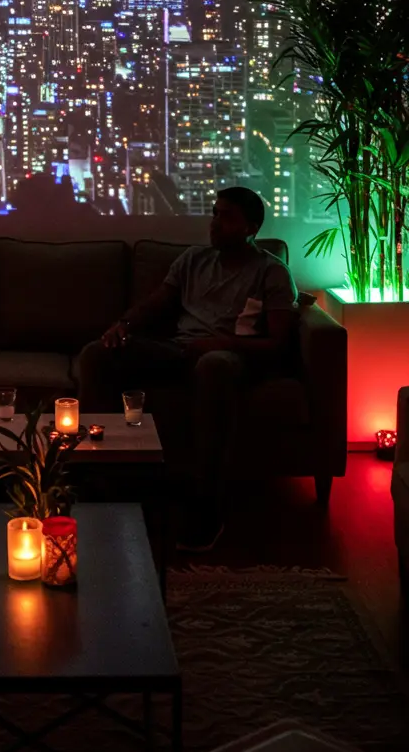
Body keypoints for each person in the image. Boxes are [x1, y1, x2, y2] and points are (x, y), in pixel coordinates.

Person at [77, 186, 297, 553]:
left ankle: (206, 507)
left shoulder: (271, 273)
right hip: (179, 350)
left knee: (213, 365)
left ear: (251, 226)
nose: (214, 223)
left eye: (226, 216)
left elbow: (277, 344)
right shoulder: (194, 260)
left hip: (229, 358)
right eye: (214, 213)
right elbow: (154, 305)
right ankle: (98, 480)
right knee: (95, 354)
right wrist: (123, 326)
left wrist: (222, 344)